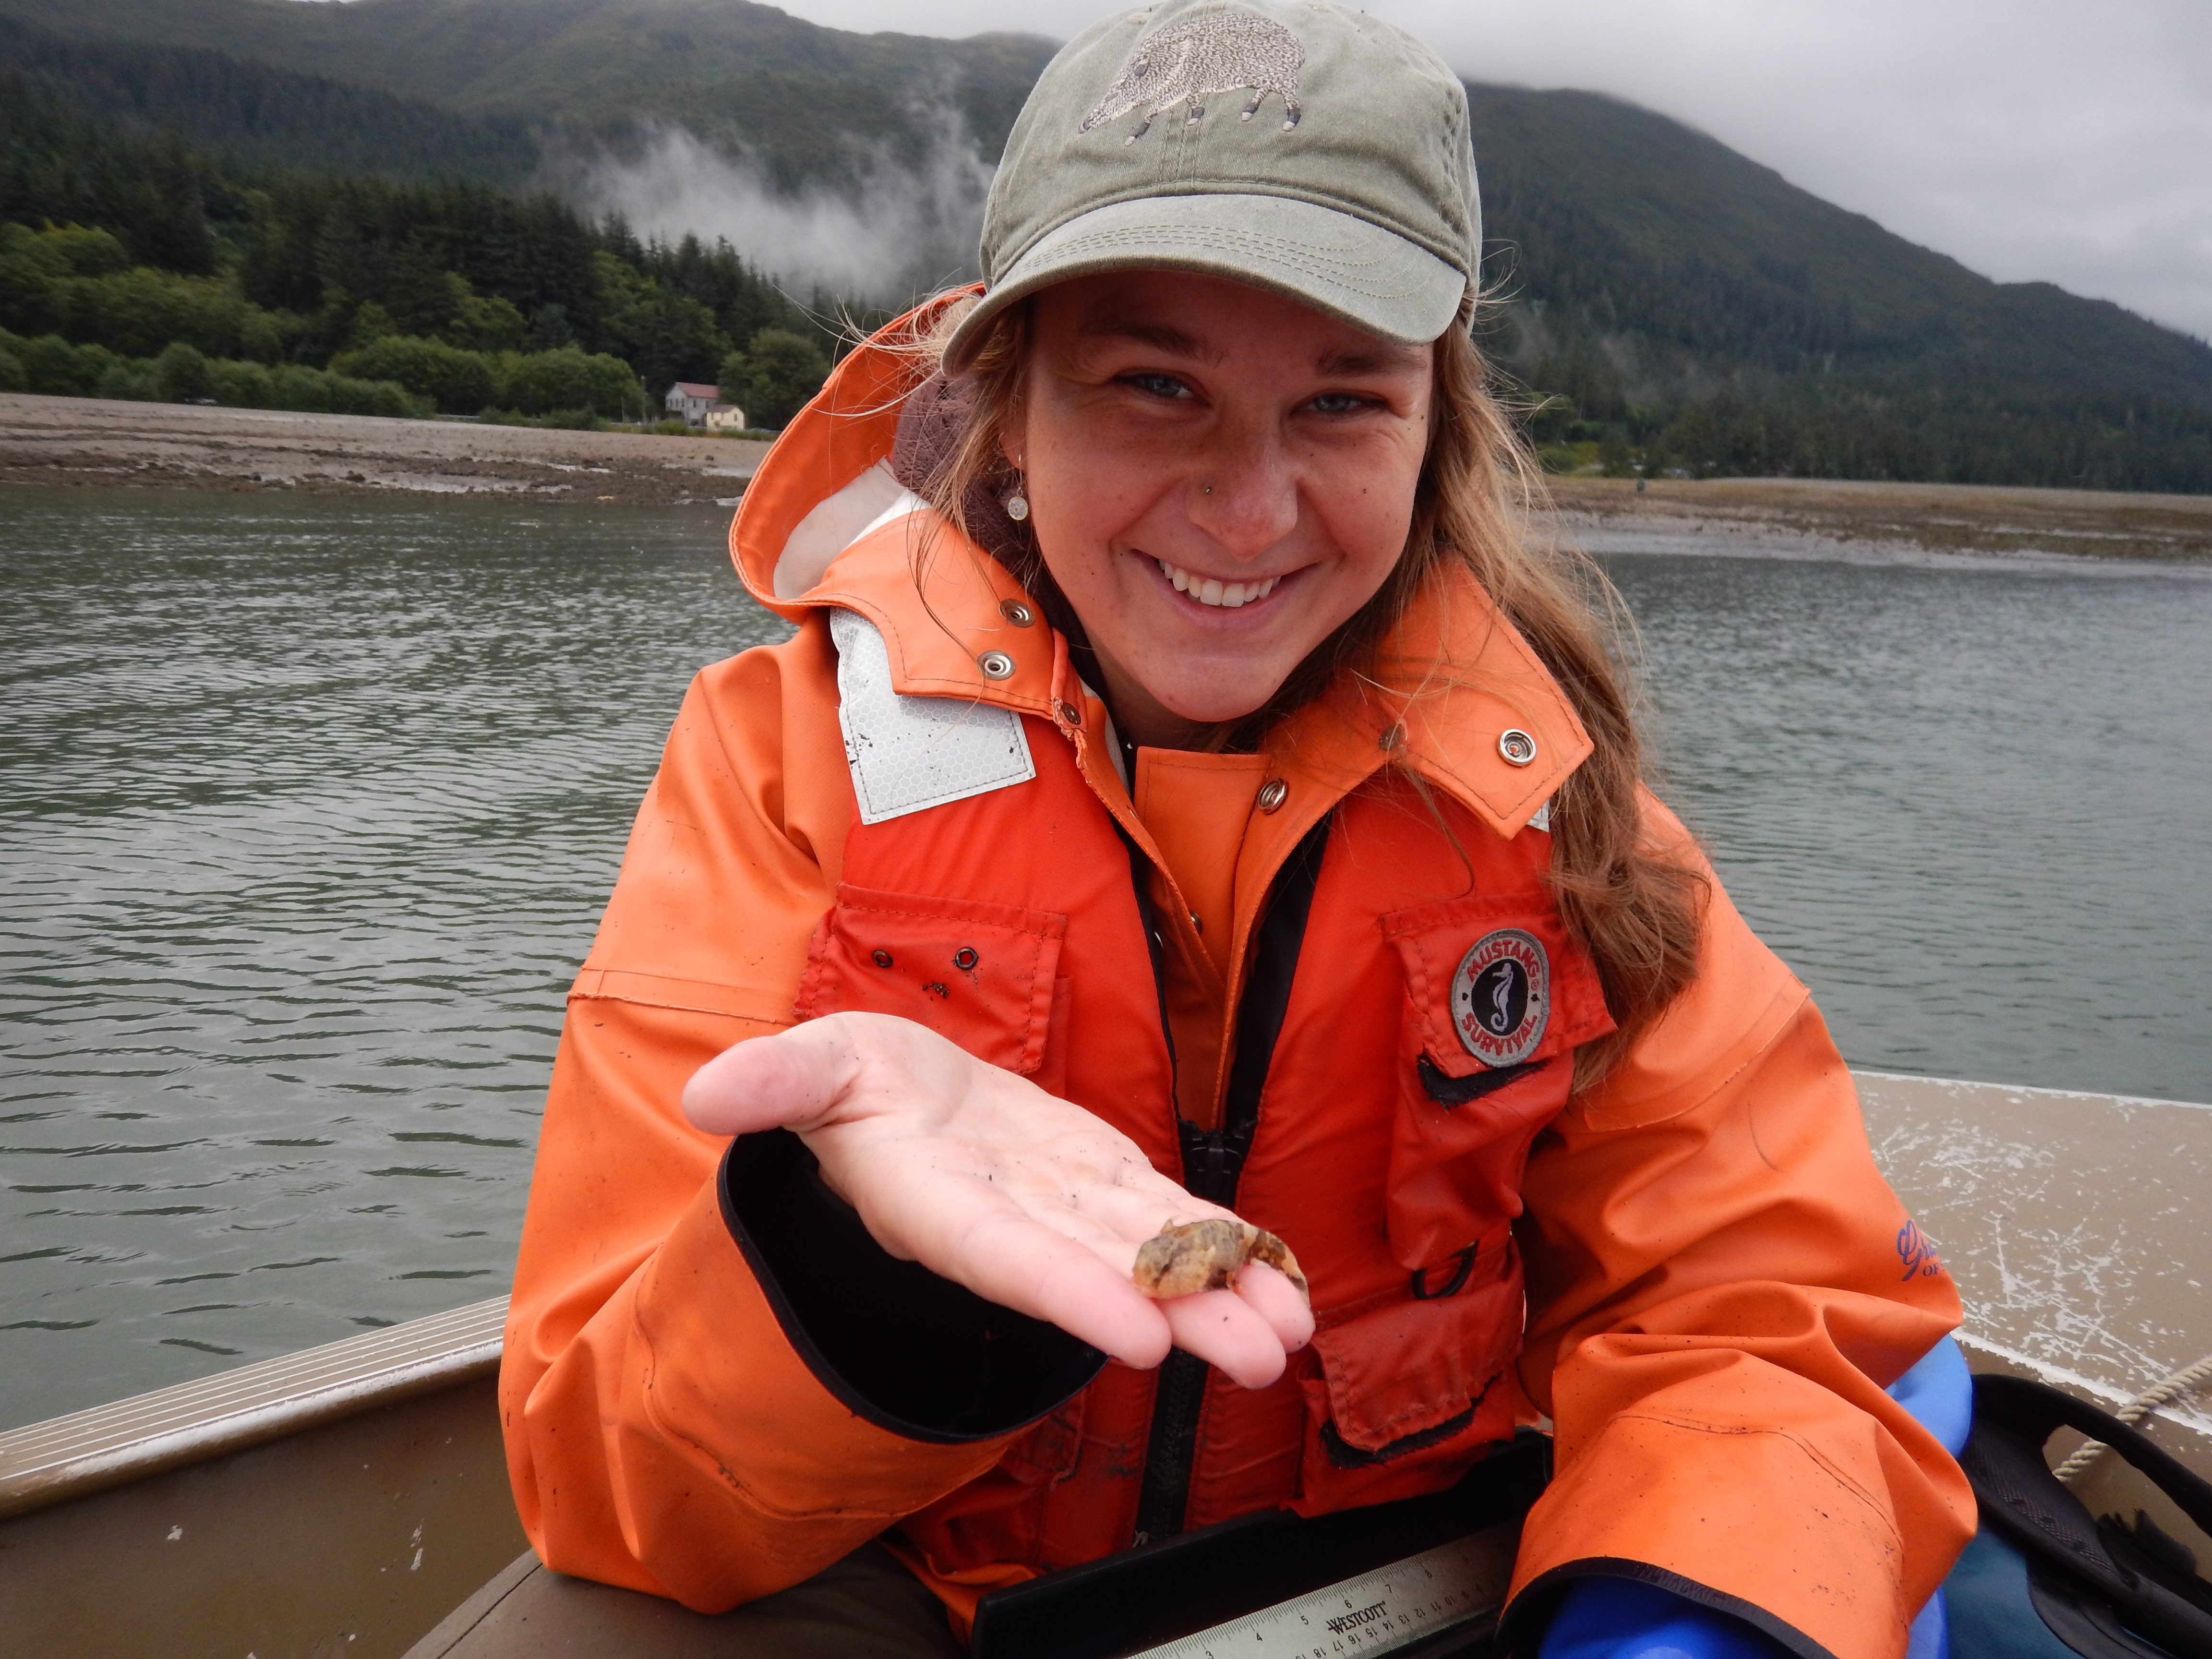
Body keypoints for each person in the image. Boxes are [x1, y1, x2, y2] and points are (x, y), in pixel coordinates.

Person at [495, 3, 1976, 1656]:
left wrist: (1673, 1633)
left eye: (1342, 404)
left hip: (1401, 1587)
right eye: (1154, 386)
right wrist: (860, 1272)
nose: (1250, 509)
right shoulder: (781, 766)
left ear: (1435, 428)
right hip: (926, 1599)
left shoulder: (1561, 819)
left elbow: (1769, 1317)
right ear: (1006, 400)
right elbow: (598, 1476)